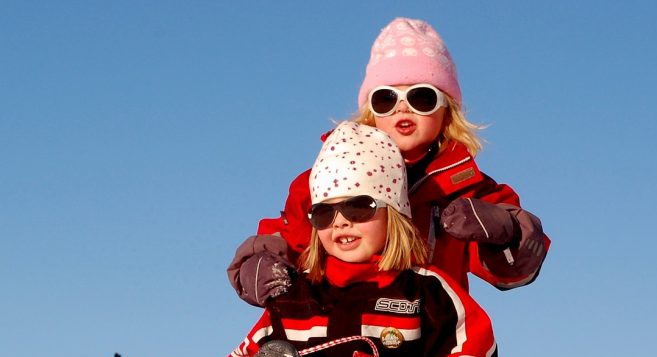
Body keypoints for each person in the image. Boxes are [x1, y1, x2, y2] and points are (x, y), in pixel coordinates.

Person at [84, 123, 584, 357]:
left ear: (393, 213)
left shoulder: (429, 293)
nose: (341, 221)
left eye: (360, 207)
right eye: (325, 212)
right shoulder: (297, 295)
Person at [228, 17, 549, 310]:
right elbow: (290, 236)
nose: (402, 109)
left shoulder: (468, 189)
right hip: (341, 326)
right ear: (371, 110)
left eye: (422, 97)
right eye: (386, 98)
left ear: (447, 109)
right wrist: (260, 263)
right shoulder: (330, 178)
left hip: (431, 333)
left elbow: (514, 270)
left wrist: (504, 232)